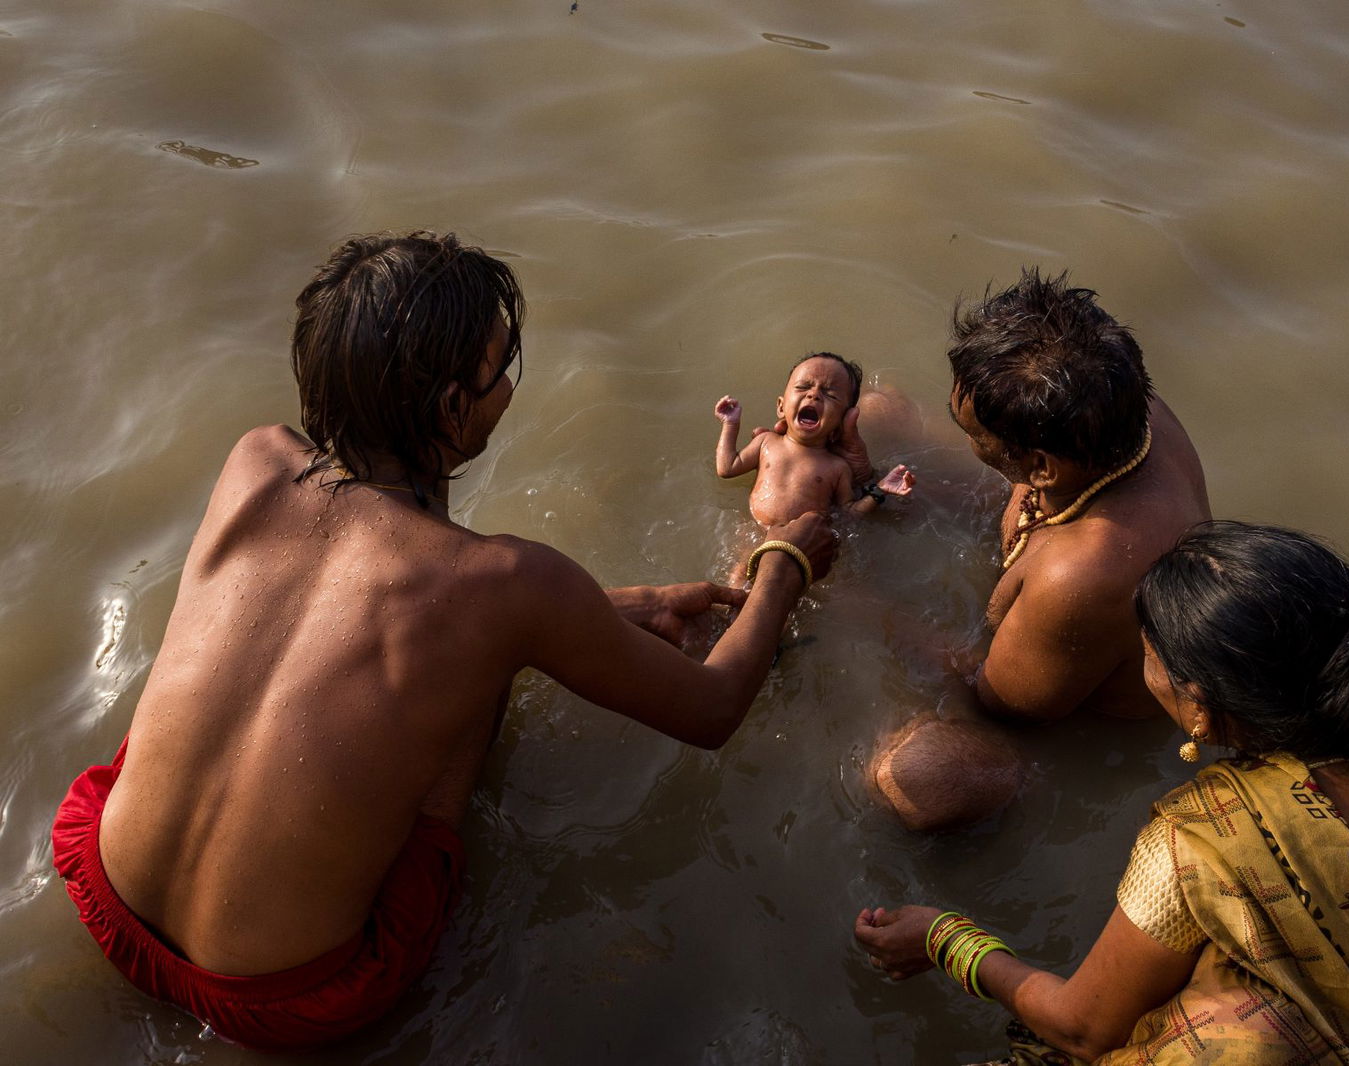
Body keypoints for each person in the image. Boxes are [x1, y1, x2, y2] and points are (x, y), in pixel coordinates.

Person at [50, 232, 837, 1051]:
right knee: (476, 671)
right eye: (499, 372)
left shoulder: (255, 459)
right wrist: (785, 565)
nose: (506, 390)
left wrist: (606, 610)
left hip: (104, 894)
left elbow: (349, 609)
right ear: (454, 409)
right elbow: (713, 709)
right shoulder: (502, 586)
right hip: (291, 998)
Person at [855, 522, 1349, 1065]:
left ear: (1200, 711)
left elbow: (1083, 1028)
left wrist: (944, 938)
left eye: (1147, 656)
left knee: (1218, 1026)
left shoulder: (1200, 841)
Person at [867, 269, 1210, 831]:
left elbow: (997, 700)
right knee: (881, 412)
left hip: (1066, 716)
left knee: (919, 776)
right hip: (1060, 574)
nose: (961, 426)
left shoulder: (1084, 571)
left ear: (1041, 468)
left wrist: (856, 609)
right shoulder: (1122, 408)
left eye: (971, 429)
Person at [714, 351, 914, 529]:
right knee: (737, 572)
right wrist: (731, 425)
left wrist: (879, 491)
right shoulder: (765, 442)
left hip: (807, 545)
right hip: (755, 533)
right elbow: (727, 468)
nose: (814, 395)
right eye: (802, 387)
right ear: (781, 407)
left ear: (842, 421)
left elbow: (850, 513)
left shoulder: (837, 467)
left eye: (830, 394)